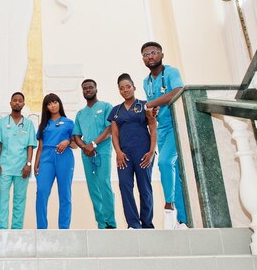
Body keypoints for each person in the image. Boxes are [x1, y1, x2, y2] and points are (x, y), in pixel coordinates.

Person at [141, 41, 188, 229]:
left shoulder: (171, 72)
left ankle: (169, 206)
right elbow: (154, 105)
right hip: (161, 129)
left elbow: (178, 91)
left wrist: (151, 104)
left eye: (153, 52)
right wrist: (150, 111)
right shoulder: (146, 82)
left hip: (176, 125)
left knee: (165, 162)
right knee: (172, 173)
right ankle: (183, 219)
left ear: (161, 54)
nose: (150, 56)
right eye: (146, 54)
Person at [109, 73, 157, 229]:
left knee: (144, 187)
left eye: (128, 87)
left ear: (134, 87)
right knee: (125, 186)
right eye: (121, 88)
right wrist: (118, 152)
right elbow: (114, 134)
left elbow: (153, 129)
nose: (125, 90)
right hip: (124, 155)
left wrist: (151, 152)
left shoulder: (144, 106)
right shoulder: (116, 111)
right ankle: (133, 224)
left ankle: (147, 224)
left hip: (143, 153)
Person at [71, 79, 117, 229]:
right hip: (87, 154)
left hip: (102, 151)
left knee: (104, 183)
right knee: (93, 188)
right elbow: (76, 135)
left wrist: (94, 144)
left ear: (96, 89)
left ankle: (111, 222)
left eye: (90, 87)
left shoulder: (105, 107)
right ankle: (101, 224)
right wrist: (85, 147)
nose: (88, 90)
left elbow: (110, 129)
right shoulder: (80, 114)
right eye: (84, 88)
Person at [0, 92, 37, 229]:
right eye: (15, 100)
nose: (17, 102)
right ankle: (1, 228)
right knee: (3, 198)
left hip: (22, 167)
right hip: (5, 167)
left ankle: (17, 229)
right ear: (10, 103)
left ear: (23, 104)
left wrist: (28, 164)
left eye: (20, 101)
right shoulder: (2, 122)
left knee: (19, 199)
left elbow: (30, 145)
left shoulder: (28, 124)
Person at [34, 93, 75, 229]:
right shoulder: (43, 125)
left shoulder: (69, 122)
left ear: (59, 103)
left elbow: (75, 144)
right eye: (50, 103)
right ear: (46, 107)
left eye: (55, 102)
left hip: (64, 157)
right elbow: (40, 147)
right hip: (46, 158)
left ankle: (64, 228)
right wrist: (36, 164)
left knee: (65, 193)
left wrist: (68, 141)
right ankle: (41, 228)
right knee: (41, 191)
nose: (53, 105)